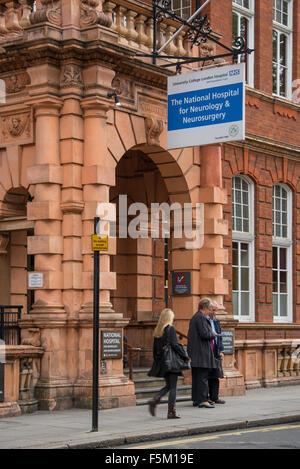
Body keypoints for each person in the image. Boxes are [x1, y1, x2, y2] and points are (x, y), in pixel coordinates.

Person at [147, 308, 189, 419]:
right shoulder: (170, 329)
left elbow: (155, 349)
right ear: (170, 318)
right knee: (173, 387)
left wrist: (158, 362)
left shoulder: (158, 331)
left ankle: (155, 399)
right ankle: (171, 412)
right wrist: (185, 357)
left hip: (163, 363)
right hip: (172, 363)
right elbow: (175, 345)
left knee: (169, 385)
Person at [187, 298, 217, 409]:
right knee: (202, 378)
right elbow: (205, 334)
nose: (210, 311)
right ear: (205, 308)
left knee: (197, 378)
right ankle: (203, 400)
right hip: (201, 354)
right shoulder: (200, 318)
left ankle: (197, 399)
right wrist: (213, 334)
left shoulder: (196, 317)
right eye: (210, 309)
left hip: (196, 354)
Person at [207, 301, 226, 405]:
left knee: (216, 374)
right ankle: (207, 397)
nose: (215, 312)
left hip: (215, 351)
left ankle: (215, 397)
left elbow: (219, 337)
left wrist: (221, 350)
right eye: (213, 310)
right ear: (208, 309)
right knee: (207, 375)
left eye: (216, 310)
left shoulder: (216, 321)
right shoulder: (204, 320)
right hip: (207, 350)